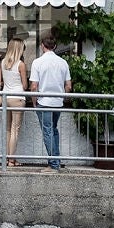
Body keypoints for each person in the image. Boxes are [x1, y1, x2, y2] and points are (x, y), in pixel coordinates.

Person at [29, 33, 72, 169]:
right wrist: (63, 98)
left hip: (44, 102)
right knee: (53, 130)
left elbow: (34, 86)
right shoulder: (63, 62)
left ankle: (54, 163)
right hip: (58, 103)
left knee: (48, 131)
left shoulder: (37, 62)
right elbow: (68, 86)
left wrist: (34, 101)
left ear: (42, 46)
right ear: (55, 46)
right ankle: (55, 160)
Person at [0, 37, 28, 165]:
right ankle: (11, 160)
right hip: (18, 98)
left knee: (8, 129)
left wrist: (8, 81)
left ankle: (8, 159)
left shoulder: (3, 62)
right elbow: (25, 86)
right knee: (15, 130)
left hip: (6, 98)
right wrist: (17, 82)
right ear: (19, 49)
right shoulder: (20, 64)